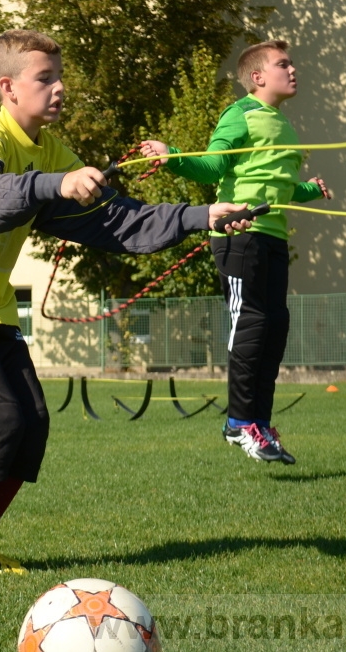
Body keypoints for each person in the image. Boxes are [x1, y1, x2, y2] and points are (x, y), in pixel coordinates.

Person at [0, 29, 255, 586]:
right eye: (45, 78)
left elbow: (121, 222)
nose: (59, 88)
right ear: (8, 88)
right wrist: (56, 183)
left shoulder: (52, 152)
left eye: (60, 77)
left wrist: (203, 216)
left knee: (30, 424)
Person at [139, 40, 328, 465]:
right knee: (251, 327)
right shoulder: (240, 114)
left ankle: (257, 422)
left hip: (273, 237)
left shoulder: (283, 125)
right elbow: (212, 166)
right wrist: (172, 158)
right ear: (258, 77)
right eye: (284, 64)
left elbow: (276, 189)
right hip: (240, 237)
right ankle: (239, 422)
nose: (293, 69)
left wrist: (310, 191)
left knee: (274, 328)